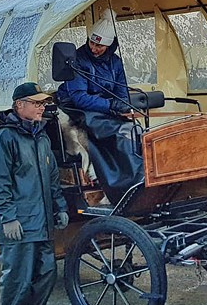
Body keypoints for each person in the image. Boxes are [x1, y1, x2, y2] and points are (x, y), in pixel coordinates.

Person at [0, 82, 69, 305]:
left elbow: (52, 177)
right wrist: (7, 217)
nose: (42, 107)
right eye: (36, 103)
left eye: (43, 103)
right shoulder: (3, 138)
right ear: (19, 105)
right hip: (19, 226)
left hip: (41, 224)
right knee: (17, 284)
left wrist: (60, 207)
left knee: (45, 277)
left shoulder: (41, 137)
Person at [55, 11, 143, 196]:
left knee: (134, 131)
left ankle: (138, 179)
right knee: (114, 133)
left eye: (100, 45)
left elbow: (122, 93)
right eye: (92, 43)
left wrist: (122, 105)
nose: (94, 48)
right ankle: (115, 185)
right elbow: (79, 97)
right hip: (77, 108)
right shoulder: (77, 59)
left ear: (109, 45)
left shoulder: (116, 63)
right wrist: (110, 106)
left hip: (103, 108)